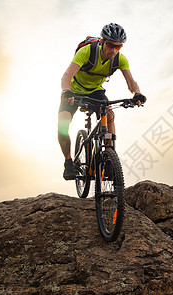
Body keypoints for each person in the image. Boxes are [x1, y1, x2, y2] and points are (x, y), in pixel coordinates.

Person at [58, 23, 146, 180]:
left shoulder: (120, 59)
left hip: (95, 92)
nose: (113, 50)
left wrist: (137, 93)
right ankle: (68, 161)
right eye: (111, 45)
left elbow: (131, 83)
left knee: (109, 114)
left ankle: (109, 158)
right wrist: (66, 91)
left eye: (118, 47)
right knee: (62, 126)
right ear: (102, 42)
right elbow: (66, 76)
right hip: (73, 91)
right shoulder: (87, 52)